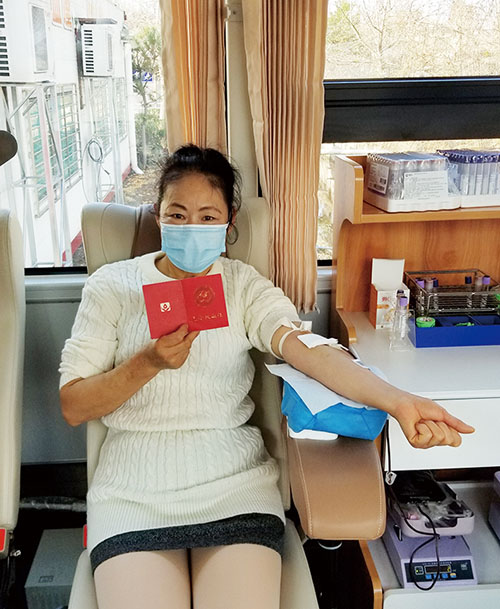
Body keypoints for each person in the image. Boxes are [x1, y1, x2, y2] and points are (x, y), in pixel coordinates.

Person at [59, 144, 474, 609]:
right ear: (158, 215)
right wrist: (147, 363)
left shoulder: (242, 286)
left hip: (232, 486)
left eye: (207, 216)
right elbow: (74, 405)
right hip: (132, 492)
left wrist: (398, 401)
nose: (191, 227)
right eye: (177, 214)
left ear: (229, 222)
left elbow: (309, 351)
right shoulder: (111, 287)